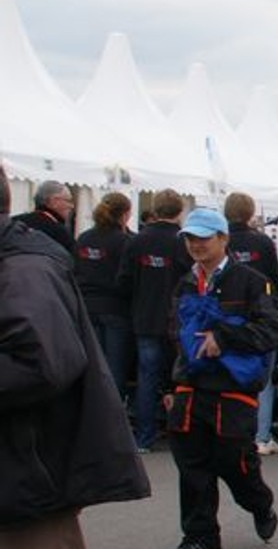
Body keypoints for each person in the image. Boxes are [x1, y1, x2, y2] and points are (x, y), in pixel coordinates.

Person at [0, 165, 154, 549]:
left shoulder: (24, 268)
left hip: (31, 467)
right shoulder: (23, 261)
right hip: (20, 464)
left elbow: (42, 360)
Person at [162, 207, 278, 549]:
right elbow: (173, 332)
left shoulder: (250, 280)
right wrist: (168, 388)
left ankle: (260, 504)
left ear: (223, 239)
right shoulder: (185, 281)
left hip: (232, 388)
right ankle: (200, 536)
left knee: (234, 462)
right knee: (191, 463)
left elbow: (270, 330)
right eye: (190, 238)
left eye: (203, 237)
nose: (196, 245)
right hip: (190, 385)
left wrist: (224, 337)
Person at [118, 188, 189, 452]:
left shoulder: (136, 241)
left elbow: (124, 281)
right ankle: (179, 433)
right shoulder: (183, 242)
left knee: (147, 378)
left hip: (145, 317)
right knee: (180, 378)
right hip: (177, 319)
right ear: (179, 211)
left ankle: (145, 437)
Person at [224, 192, 278, 455]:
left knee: (227, 376)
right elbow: (275, 279)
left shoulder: (220, 241)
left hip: (227, 316)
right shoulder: (262, 243)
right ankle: (261, 436)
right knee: (263, 379)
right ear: (250, 214)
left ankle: (229, 432)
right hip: (260, 315)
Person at [71, 191, 135, 399]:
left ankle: (91, 411)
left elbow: (75, 271)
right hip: (115, 309)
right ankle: (113, 416)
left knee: (91, 365)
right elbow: (127, 278)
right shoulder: (124, 241)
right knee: (114, 367)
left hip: (87, 307)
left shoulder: (84, 238)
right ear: (125, 215)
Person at [19, 180, 77, 251]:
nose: (72, 206)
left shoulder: (16, 222)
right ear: (55, 202)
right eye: (68, 201)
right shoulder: (59, 233)